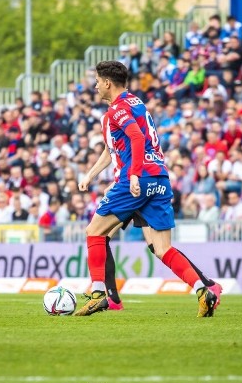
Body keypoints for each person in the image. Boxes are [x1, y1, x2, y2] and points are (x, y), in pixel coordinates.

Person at [74, 61, 217, 317]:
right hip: (160, 177)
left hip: (136, 179)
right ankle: (202, 290)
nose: (95, 86)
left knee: (94, 232)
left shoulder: (117, 110)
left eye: (97, 81)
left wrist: (135, 175)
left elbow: (137, 138)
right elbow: (112, 151)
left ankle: (99, 293)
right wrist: (90, 175)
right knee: (162, 249)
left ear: (107, 82)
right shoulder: (135, 103)